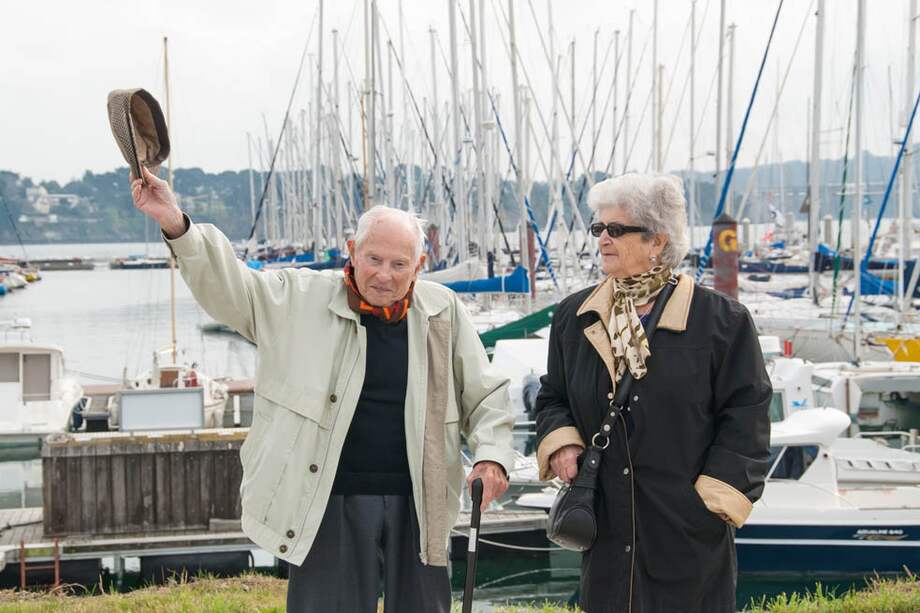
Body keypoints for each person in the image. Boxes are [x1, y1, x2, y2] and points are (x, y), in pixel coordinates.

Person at [131, 167, 515, 613]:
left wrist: (491, 455)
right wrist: (176, 223)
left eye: (399, 264)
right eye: (373, 259)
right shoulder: (298, 297)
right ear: (352, 251)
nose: (385, 276)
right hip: (328, 500)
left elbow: (485, 395)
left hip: (422, 500)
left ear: (419, 266)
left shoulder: (443, 311)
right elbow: (231, 286)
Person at [535, 173, 771, 613]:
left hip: (687, 533)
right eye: (598, 229)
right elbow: (553, 397)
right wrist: (563, 443)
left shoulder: (722, 321)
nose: (603, 239)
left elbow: (748, 415)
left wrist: (709, 504)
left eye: (617, 229)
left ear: (657, 241)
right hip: (605, 528)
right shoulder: (575, 316)